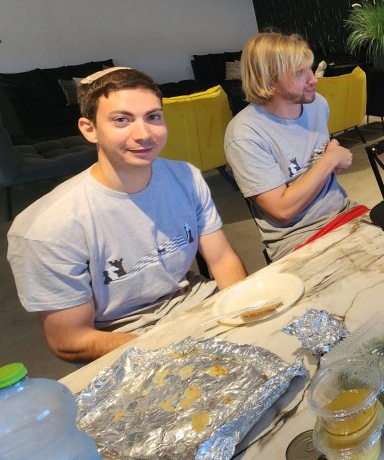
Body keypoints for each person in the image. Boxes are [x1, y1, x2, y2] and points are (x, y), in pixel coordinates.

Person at [7, 67, 247, 363]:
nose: (144, 134)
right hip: (124, 340)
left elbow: (221, 259)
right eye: (122, 120)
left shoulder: (186, 177)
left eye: (153, 117)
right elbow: (70, 339)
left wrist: (241, 311)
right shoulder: (48, 228)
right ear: (89, 129)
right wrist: (172, 348)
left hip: (200, 306)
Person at [224, 32, 355, 261]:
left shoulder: (317, 105)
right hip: (298, 239)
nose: (313, 79)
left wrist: (329, 161)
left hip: (344, 212)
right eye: (299, 73)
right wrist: (330, 160)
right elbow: (282, 210)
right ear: (269, 81)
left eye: (310, 69)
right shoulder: (245, 134)